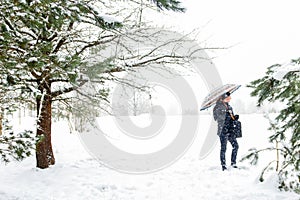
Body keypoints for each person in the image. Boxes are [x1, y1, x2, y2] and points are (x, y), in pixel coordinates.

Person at [213, 92, 239, 171]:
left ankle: (233, 163)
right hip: (223, 130)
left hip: (231, 130)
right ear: (223, 98)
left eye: (229, 97)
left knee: (236, 146)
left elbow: (231, 118)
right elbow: (216, 118)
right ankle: (223, 165)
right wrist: (225, 115)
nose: (230, 98)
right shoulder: (217, 107)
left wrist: (234, 117)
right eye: (228, 97)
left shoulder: (230, 107)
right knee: (224, 148)